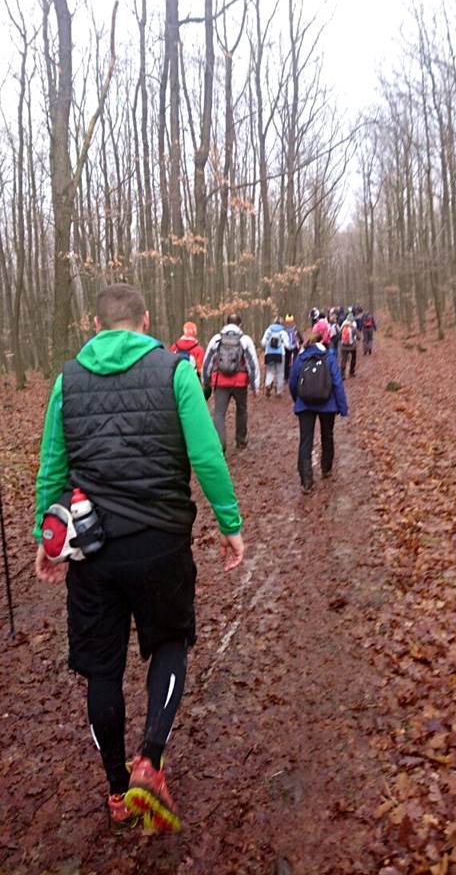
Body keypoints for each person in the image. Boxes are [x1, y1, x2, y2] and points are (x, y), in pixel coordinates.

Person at [33, 283, 244, 835]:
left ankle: (115, 794)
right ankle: (149, 761)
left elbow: (52, 463)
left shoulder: (67, 380)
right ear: (145, 319)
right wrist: (230, 524)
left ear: (97, 324)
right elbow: (205, 453)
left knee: (101, 670)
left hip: (92, 551)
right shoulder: (173, 370)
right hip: (160, 544)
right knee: (169, 644)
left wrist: (44, 535)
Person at [289, 331, 348, 493]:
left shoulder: (301, 358)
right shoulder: (329, 358)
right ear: (322, 342)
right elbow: (337, 383)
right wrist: (342, 407)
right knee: (327, 435)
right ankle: (326, 468)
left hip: (305, 405)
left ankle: (306, 481)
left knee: (305, 440)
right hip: (327, 404)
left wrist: (298, 400)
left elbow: (293, 382)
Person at [202, 312, 260, 451]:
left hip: (220, 382)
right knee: (241, 410)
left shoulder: (217, 339)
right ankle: (241, 440)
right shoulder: (244, 340)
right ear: (240, 324)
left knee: (219, 413)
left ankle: (220, 444)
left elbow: (207, 361)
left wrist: (206, 379)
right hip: (240, 382)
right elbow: (252, 363)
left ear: (226, 323)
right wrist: (255, 385)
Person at [261, 316, 290, 397]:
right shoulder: (283, 332)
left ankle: (268, 384)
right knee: (280, 373)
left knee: (269, 371)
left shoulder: (268, 330)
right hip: (280, 354)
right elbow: (287, 345)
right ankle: (279, 392)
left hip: (269, 354)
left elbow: (263, 343)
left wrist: (267, 345)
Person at [283, 314, 302, 381]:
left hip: (286, 347)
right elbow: (300, 337)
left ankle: (286, 377)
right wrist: (300, 342)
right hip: (294, 346)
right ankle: (295, 374)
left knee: (286, 361)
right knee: (295, 360)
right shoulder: (295, 328)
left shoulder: (284, 329)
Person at [340, 312, 359, 379]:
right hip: (352, 346)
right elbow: (358, 336)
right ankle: (351, 372)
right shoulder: (353, 327)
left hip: (343, 346)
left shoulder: (343, 326)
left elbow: (339, 334)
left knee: (343, 360)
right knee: (353, 358)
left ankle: (342, 374)